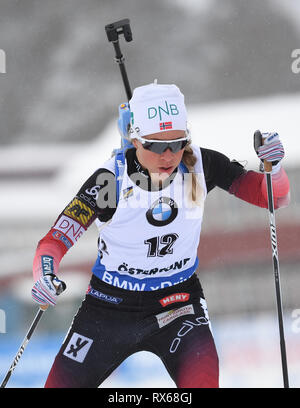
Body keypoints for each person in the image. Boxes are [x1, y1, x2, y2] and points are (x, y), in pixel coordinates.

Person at [31, 83, 290, 388]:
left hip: (178, 304)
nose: (168, 155)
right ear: (134, 139)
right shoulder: (110, 181)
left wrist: (274, 169)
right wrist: (44, 274)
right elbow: (55, 240)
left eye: (178, 143)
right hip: (109, 307)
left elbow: (270, 197)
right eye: (155, 145)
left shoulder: (199, 165)